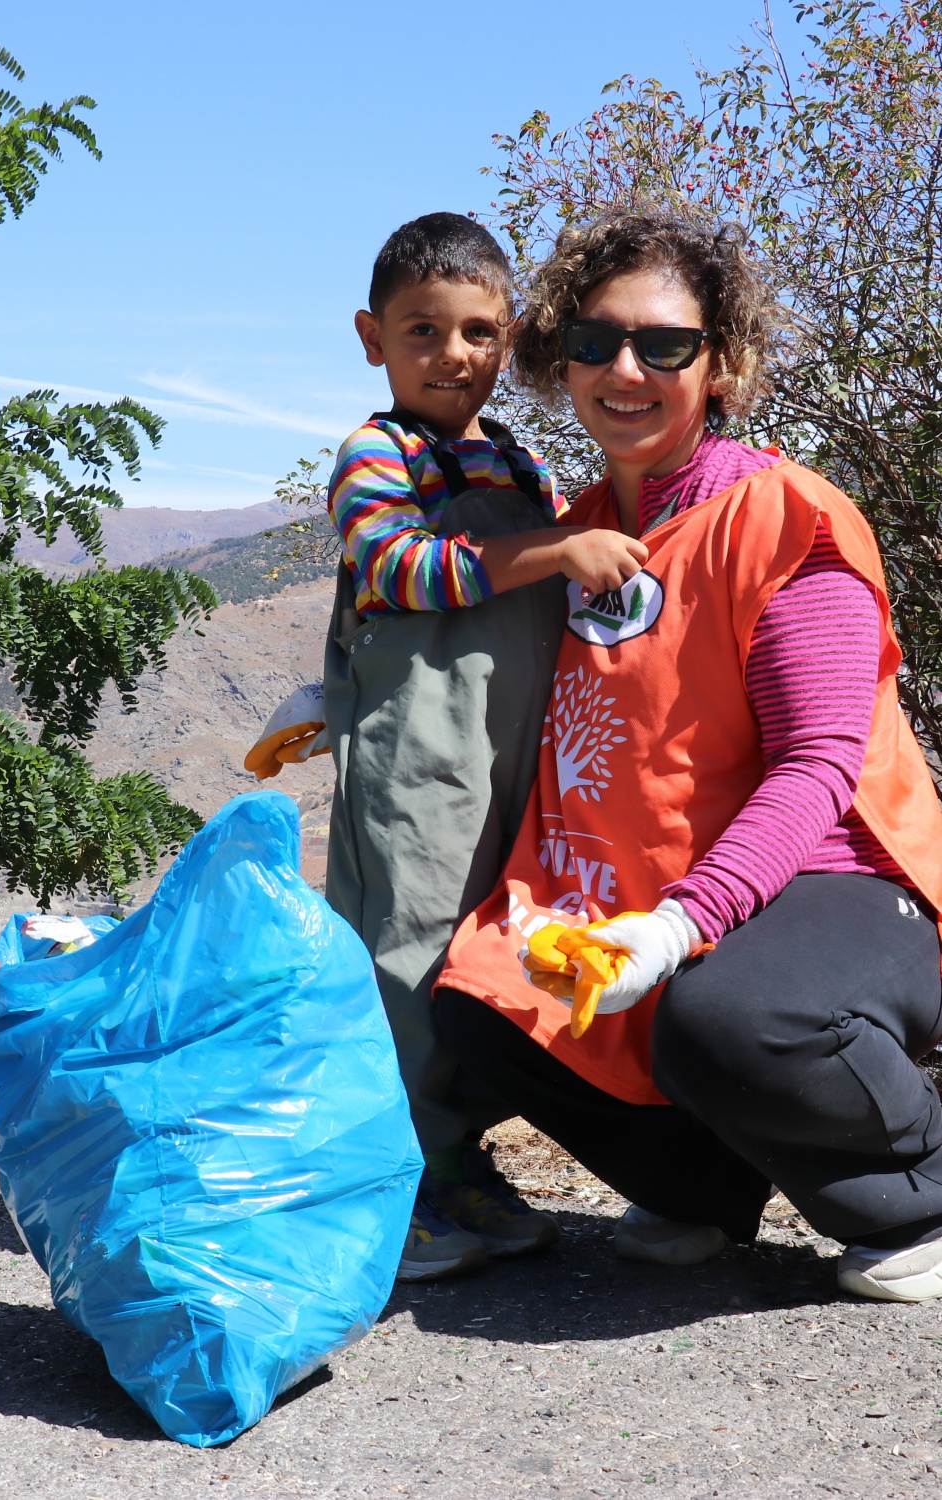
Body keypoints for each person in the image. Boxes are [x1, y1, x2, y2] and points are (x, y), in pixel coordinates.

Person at [436, 207, 942, 1303]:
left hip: (841, 884)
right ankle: (703, 1188)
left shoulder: (785, 521)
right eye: (594, 340)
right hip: (658, 884)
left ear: (724, 366)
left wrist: (677, 927)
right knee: (479, 991)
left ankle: (914, 1187)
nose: (625, 368)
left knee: (731, 1019)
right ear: (558, 357)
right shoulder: (569, 535)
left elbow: (816, 768)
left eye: (663, 345)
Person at [320, 212, 648, 1281]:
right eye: (422, 330)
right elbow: (398, 572)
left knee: (477, 954)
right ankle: (393, 1186)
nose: (451, 355)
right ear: (373, 338)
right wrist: (554, 548)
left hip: (512, 762)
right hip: (415, 759)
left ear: (508, 342)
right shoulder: (375, 454)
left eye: (476, 333)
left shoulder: (515, 459)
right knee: (402, 958)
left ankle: (458, 1161)